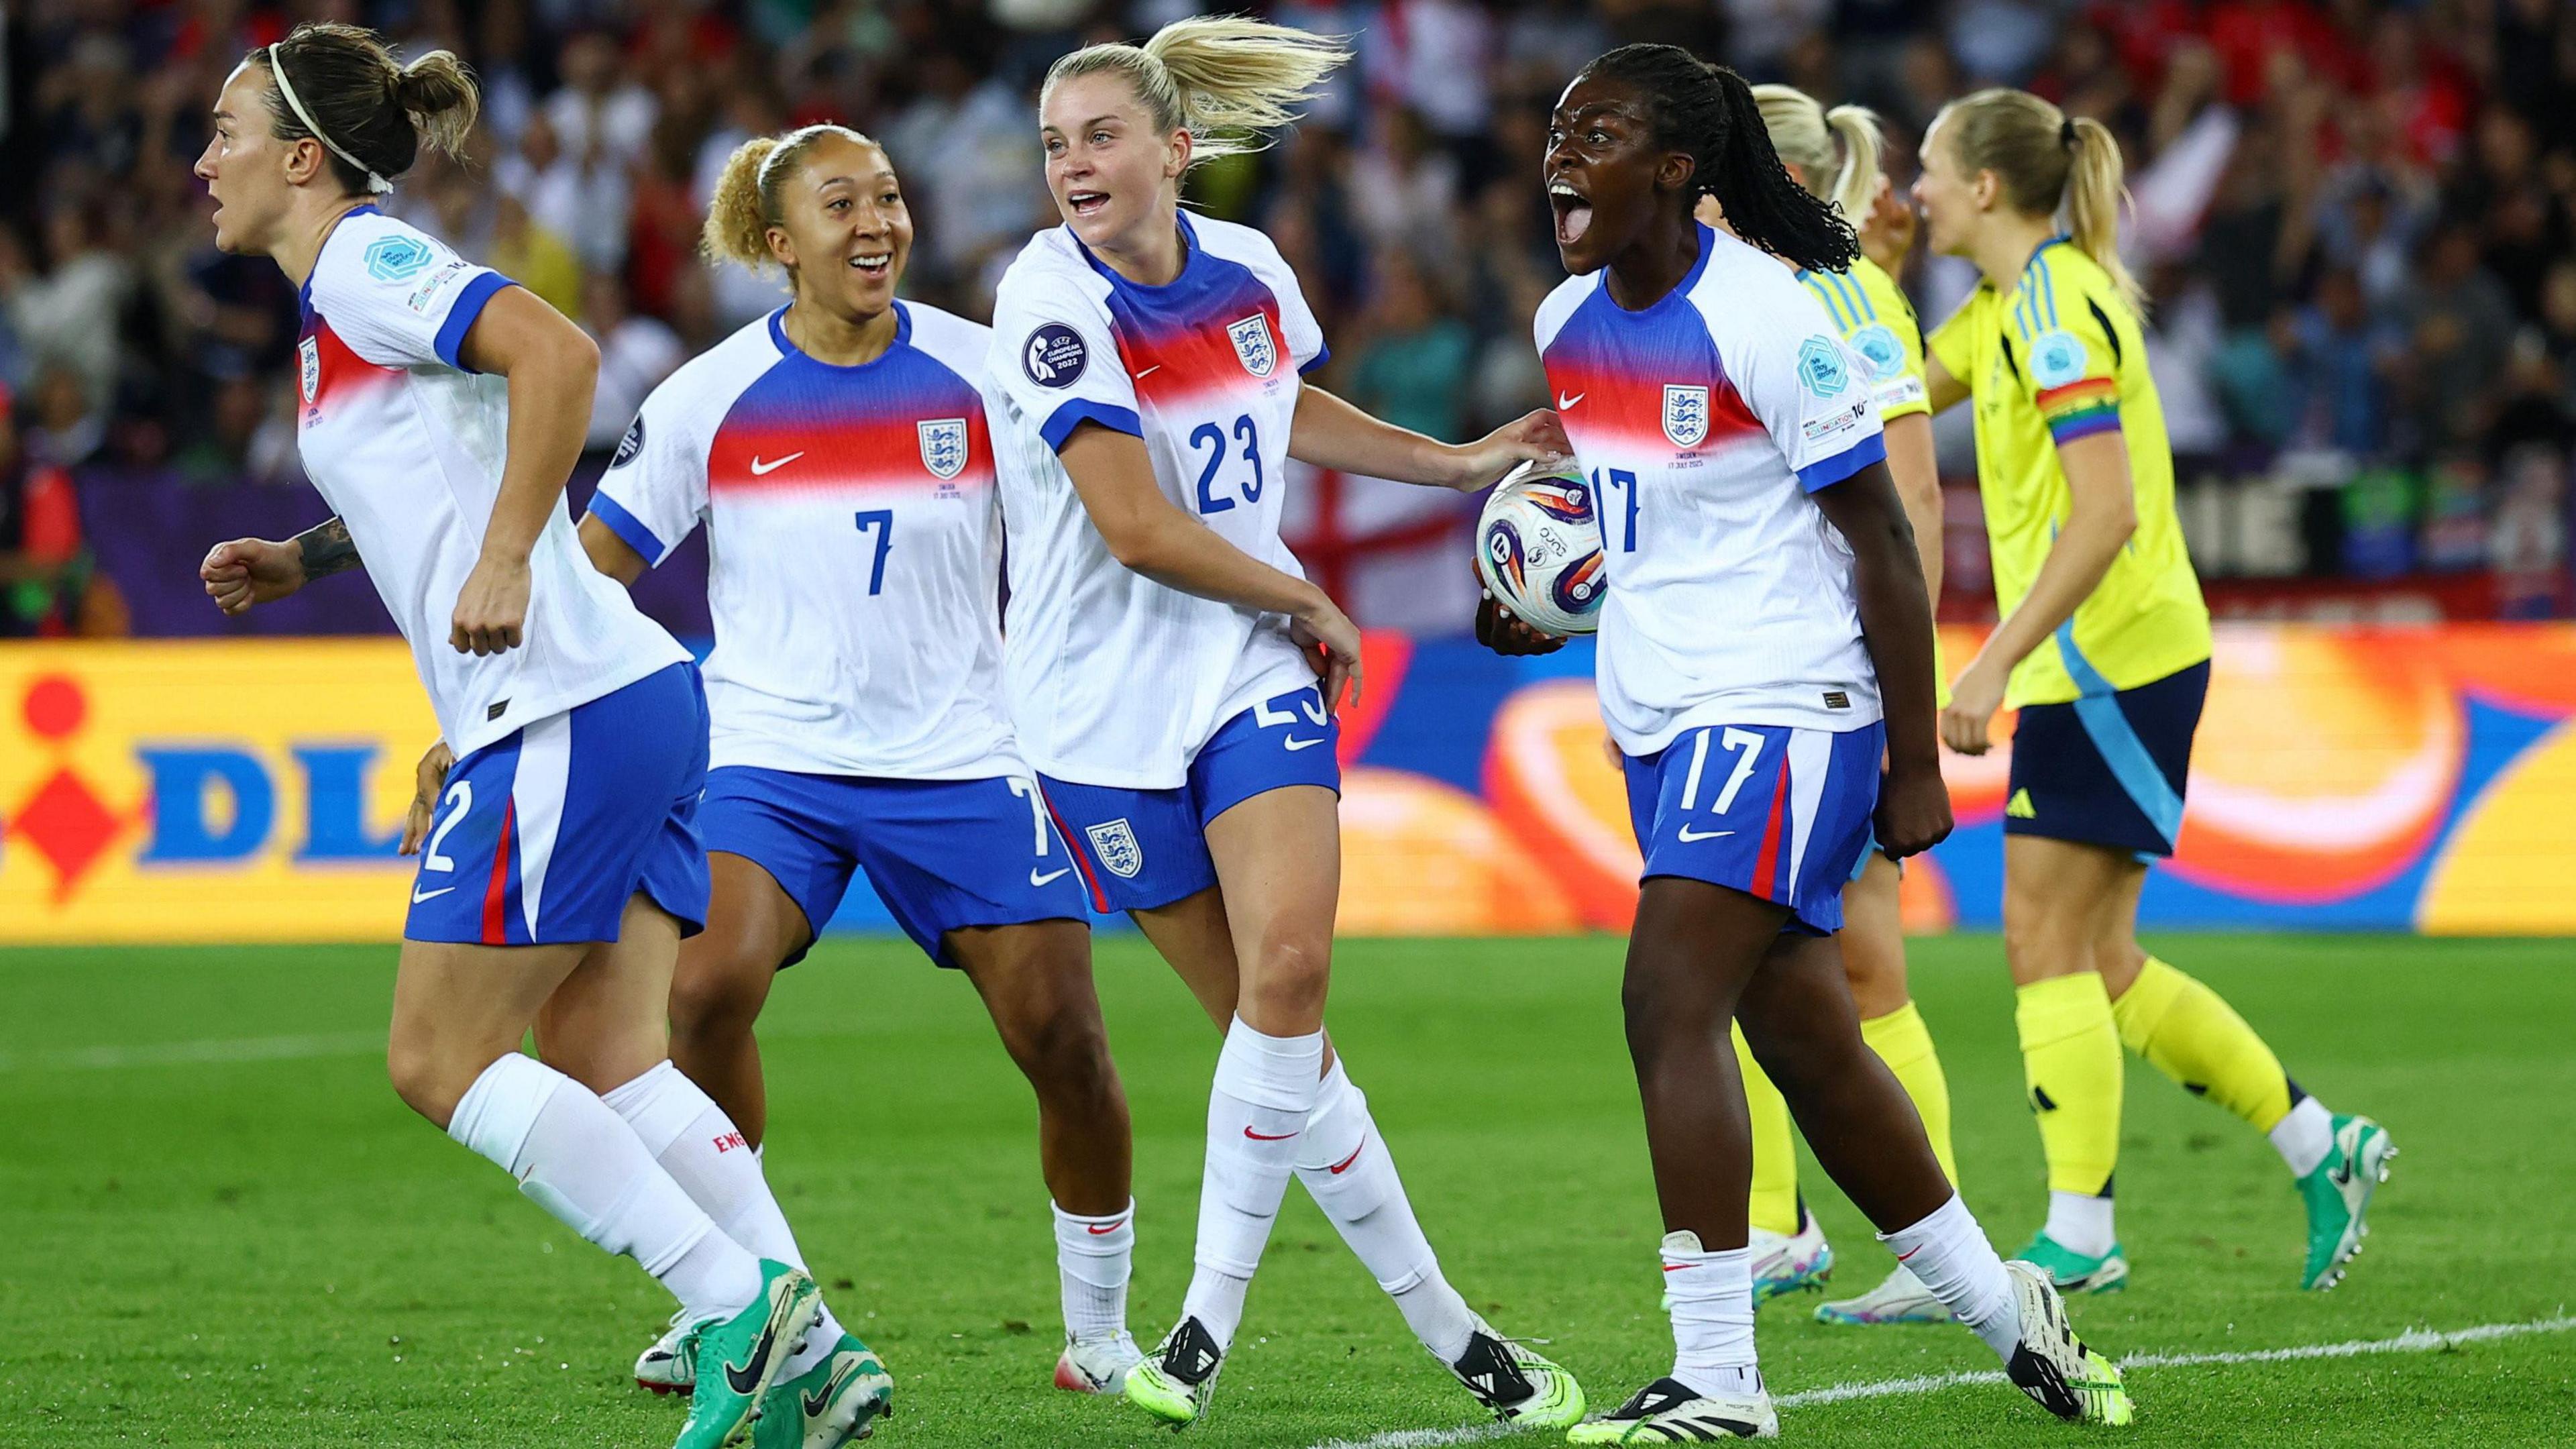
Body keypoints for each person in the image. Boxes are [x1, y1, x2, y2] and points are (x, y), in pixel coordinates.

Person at [190, 25, 820, 1449]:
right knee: (609, 1052)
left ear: (302, 158)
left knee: (436, 1056)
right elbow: (449, 449)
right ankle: (813, 1343)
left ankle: (737, 1306)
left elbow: (556, 350)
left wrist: (512, 559)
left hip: (558, 701)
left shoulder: (361, 258)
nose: (200, 159)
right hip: (625, 697)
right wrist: (310, 555)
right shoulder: (340, 303)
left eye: (225, 131)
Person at [984, 17, 1585, 1432]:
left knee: (1295, 974)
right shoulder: (1047, 299)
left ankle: (1199, 1331)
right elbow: (1132, 527)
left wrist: (1449, 465)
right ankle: (1457, 1334)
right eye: (1059, 143)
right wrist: (1310, 593)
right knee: (1280, 1055)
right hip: (1096, 711)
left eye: (1102, 136)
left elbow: (1275, 400)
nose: (1075, 163)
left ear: (1174, 152)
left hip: (1246, 671)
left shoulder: (1249, 268)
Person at [1527, 46, 2129, 1438]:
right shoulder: (1568, 324)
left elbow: (1880, 536)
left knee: (1663, 1003)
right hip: (1661, 719)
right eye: (1557, 131)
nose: (1563, 156)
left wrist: (1914, 762)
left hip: (1789, 707)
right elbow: (1651, 522)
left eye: (1599, 133)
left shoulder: (1768, 317)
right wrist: (1537, 609)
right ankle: (2004, 1307)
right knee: (1806, 1039)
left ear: (1676, 169)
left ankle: (1719, 1380)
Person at [576, 121, 1142, 1405]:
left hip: (964, 755)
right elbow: (589, 574)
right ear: (781, 246)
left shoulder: (986, 372)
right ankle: (737, 1296)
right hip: (772, 754)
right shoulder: (708, 398)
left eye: (888, 197)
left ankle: (1100, 1334)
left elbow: (1115, 506)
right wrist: (488, 706)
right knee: (705, 991)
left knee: (1064, 1038)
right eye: (842, 205)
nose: (877, 222)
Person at [1913, 87, 2392, 1296]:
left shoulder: (2060, 312)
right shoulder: (2004, 306)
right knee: (2101, 955)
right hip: (2106, 656)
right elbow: (1895, 399)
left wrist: (1991, 656)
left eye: (1927, 169)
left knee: (2039, 934)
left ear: (1983, 187)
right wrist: (1852, 282)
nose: (1914, 192)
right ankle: (2318, 1144)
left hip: (2112, 656)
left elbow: (2110, 509)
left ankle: (2081, 1232)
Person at [1719, 84, 1969, 1326]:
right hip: (1764, 674)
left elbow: (1912, 504)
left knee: (1863, 964)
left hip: (1845, 680)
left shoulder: (1851, 293)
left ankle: (1940, 1244)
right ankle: (1780, 1228)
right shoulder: (1751, 295)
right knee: (1757, 951)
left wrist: (1894, 689)